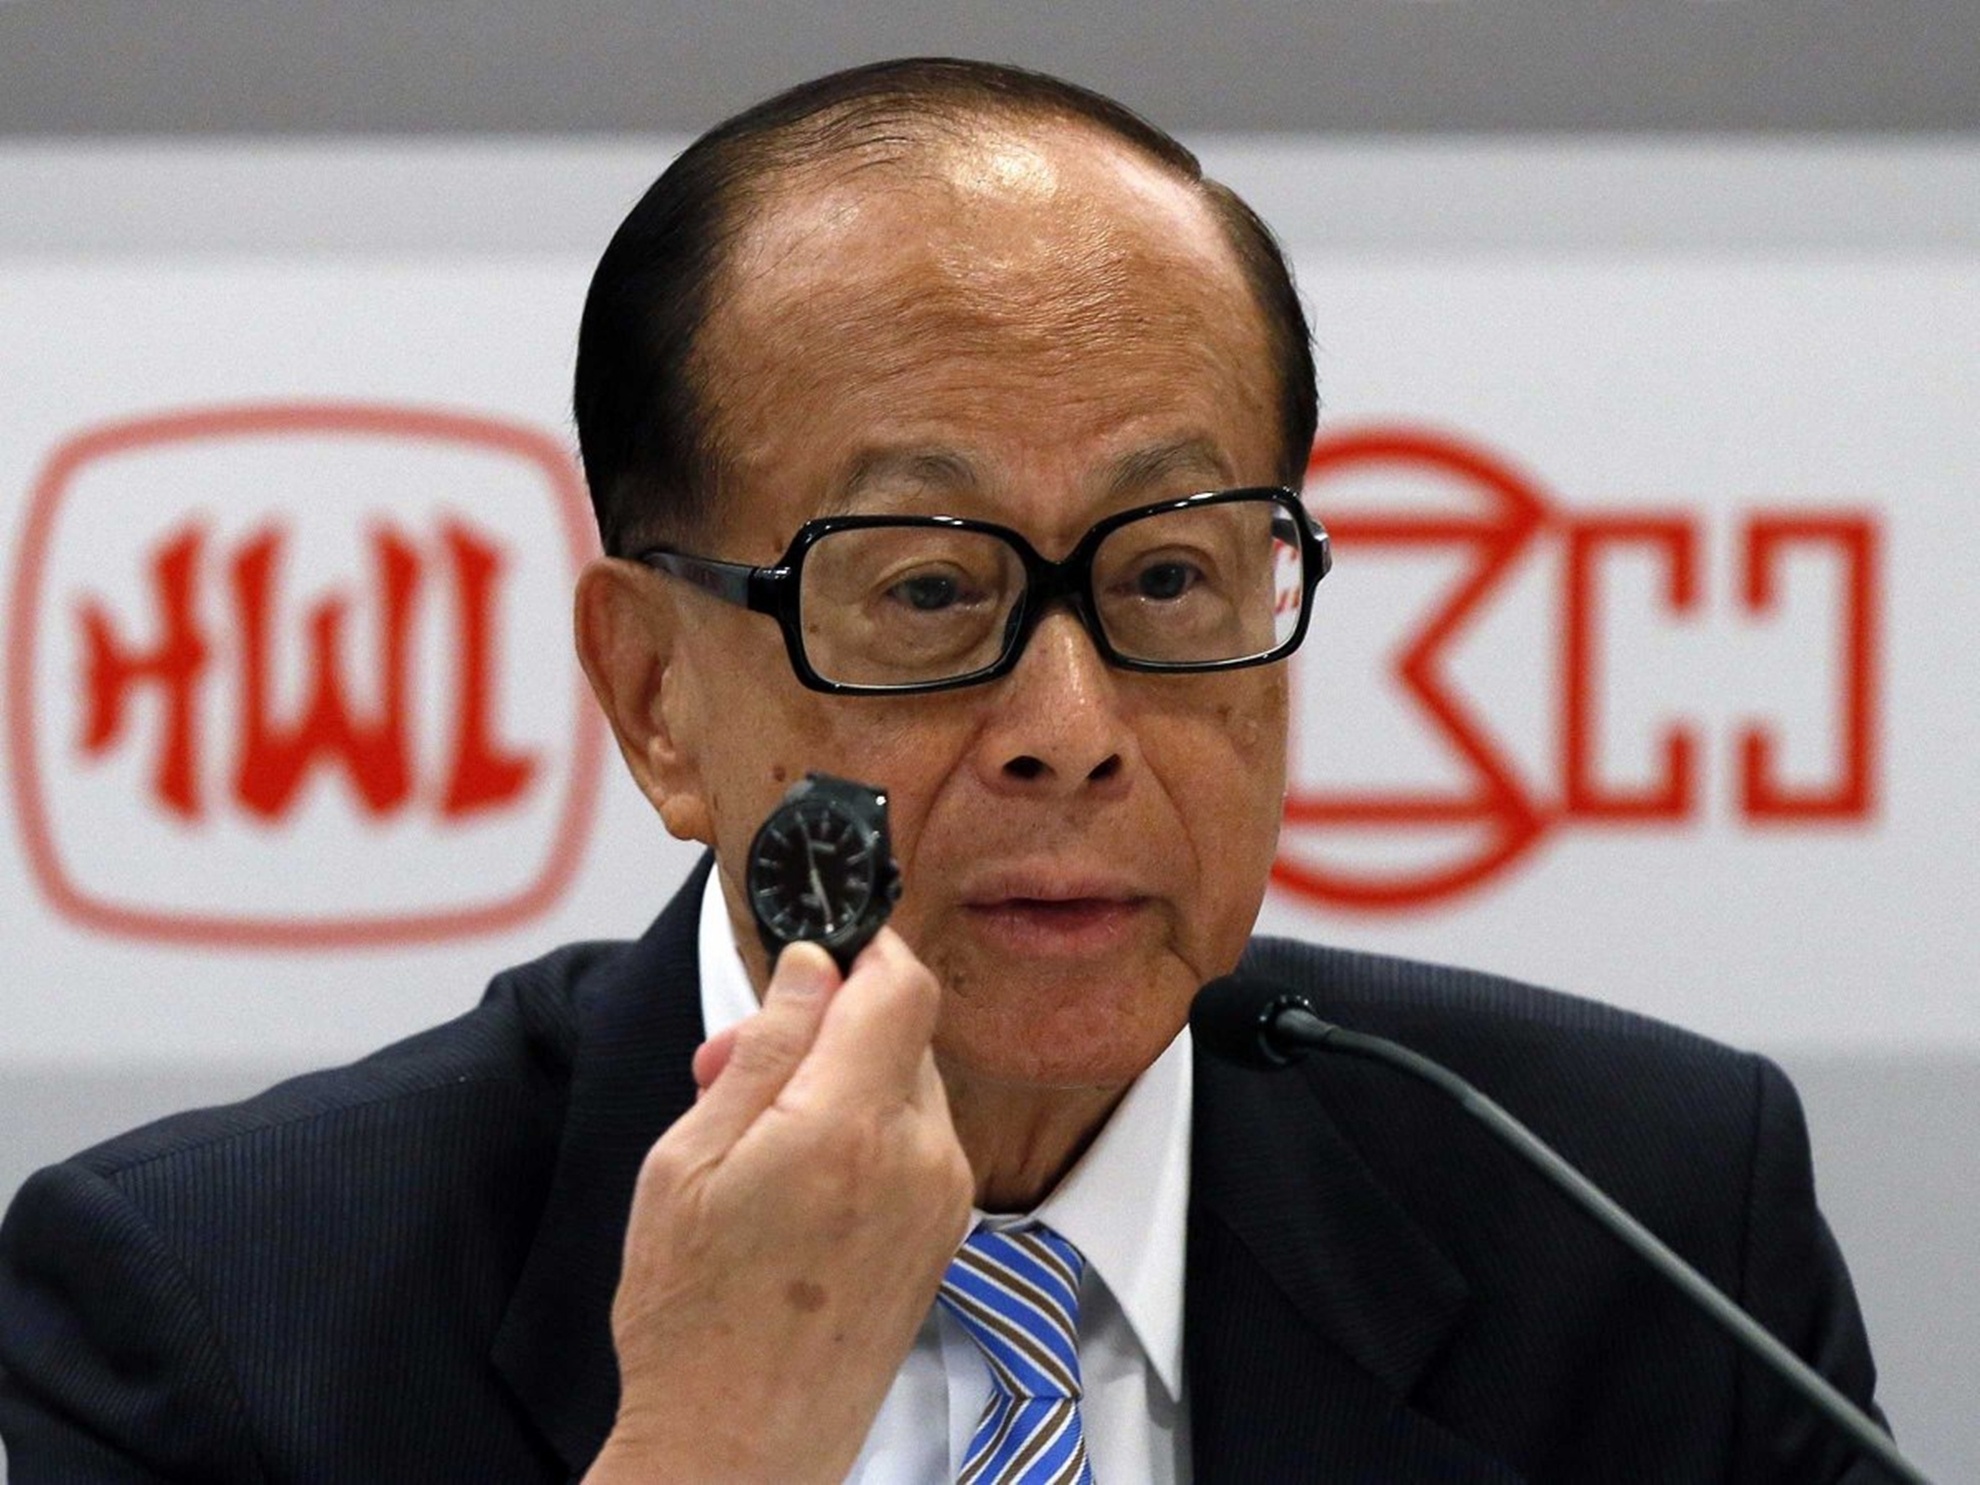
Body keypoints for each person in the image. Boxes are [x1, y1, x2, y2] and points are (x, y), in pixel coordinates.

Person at [0, 57, 1887, 1484]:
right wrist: (710, 1453)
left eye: (1167, 577)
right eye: (924, 589)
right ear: (654, 694)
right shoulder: (217, 1315)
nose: (1073, 720)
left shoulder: (1643, 1230)